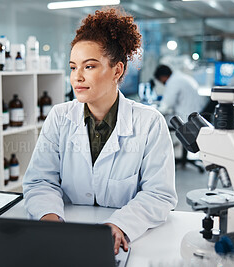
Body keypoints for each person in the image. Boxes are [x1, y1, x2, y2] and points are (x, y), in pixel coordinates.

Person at [23, 8, 178, 255]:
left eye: (90, 66)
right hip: (66, 237)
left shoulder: (149, 123)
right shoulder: (60, 116)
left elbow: (159, 195)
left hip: (127, 242)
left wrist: (119, 224)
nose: (77, 78)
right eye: (73, 67)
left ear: (117, 70)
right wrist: (51, 222)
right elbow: (40, 180)